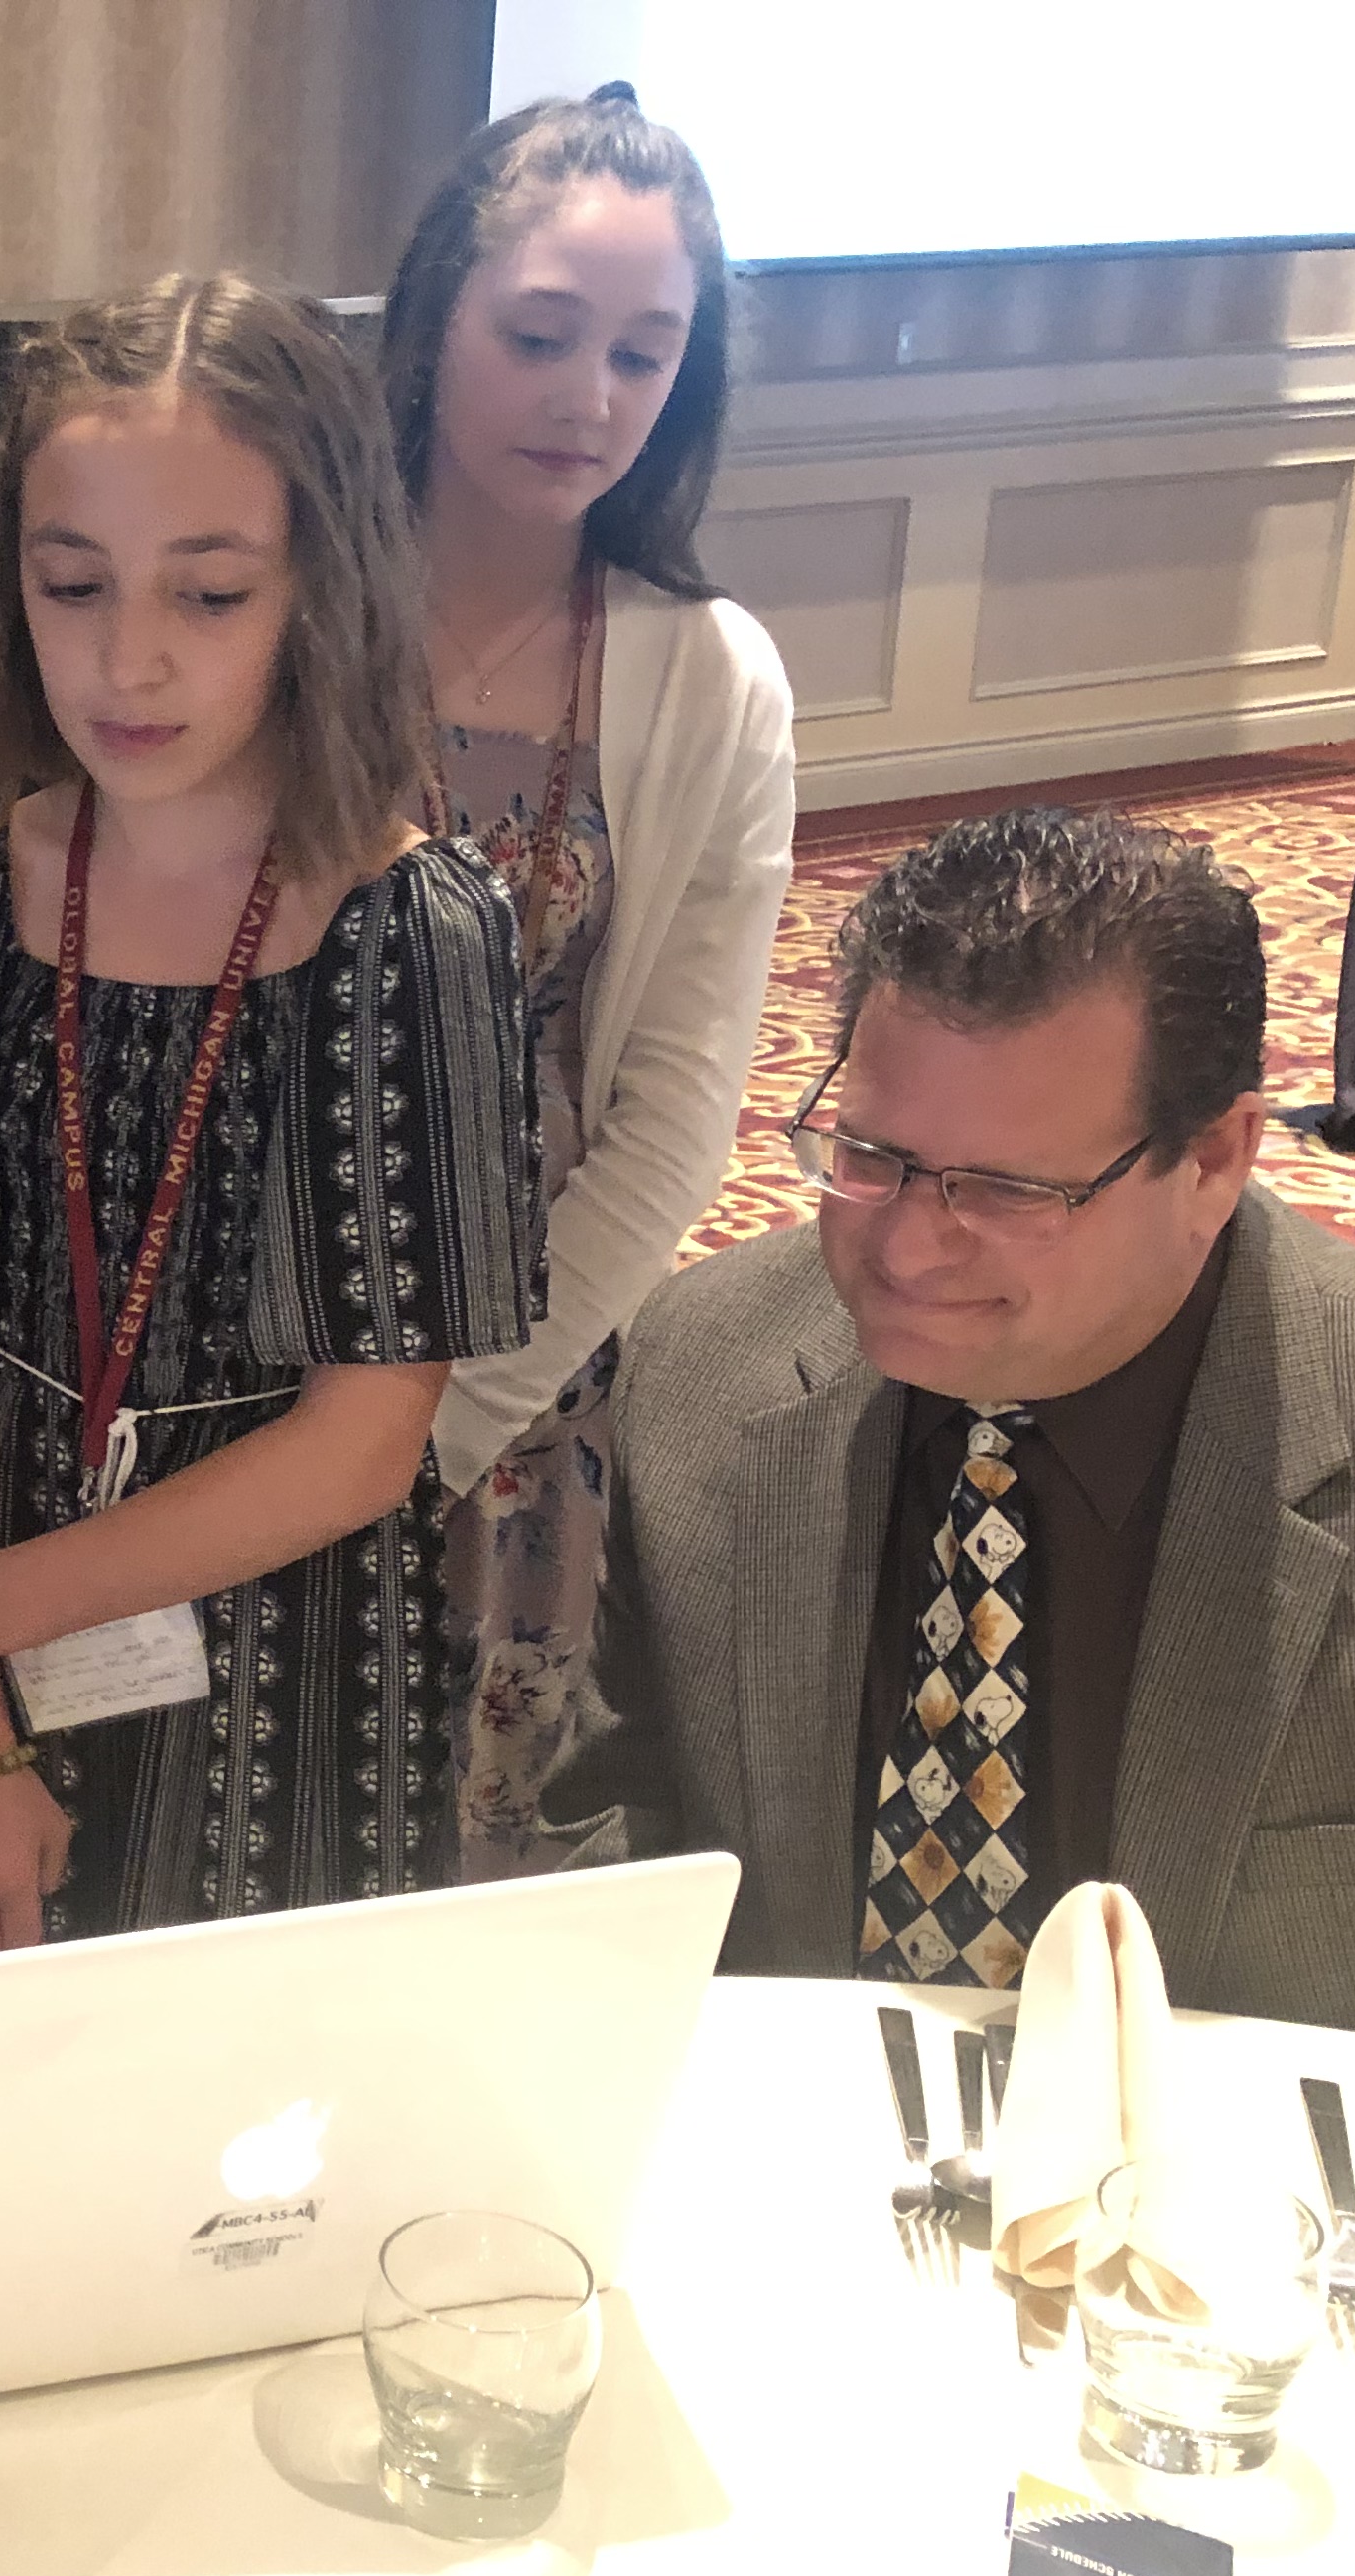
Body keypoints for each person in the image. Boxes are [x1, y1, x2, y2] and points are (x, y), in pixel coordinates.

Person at [552, 807, 1355, 2077]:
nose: (910, 1248)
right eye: (871, 1156)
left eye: (1012, 1191)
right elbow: (620, 1843)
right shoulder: (703, 1363)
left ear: (1214, 1159)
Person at [0, 274, 545, 1965]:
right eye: (72, 586)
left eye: (206, 594)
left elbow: (362, 1437)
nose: (125, 660)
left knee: (241, 2172)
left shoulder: (406, 932)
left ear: (318, 591)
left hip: (269, 1658)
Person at [376, 85, 796, 1879]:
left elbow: (676, 1121)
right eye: (540, 336)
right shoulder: (271, 595)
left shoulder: (708, 676)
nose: (590, 399)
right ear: (433, 325)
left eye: (644, 352)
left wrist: (443, 1420)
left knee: (465, 1853)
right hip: (224, 1350)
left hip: (515, 1374)